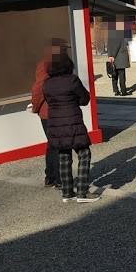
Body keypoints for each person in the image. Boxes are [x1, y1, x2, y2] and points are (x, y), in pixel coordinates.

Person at [42, 52, 101, 203]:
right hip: (73, 122)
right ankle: (82, 192)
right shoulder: (72, 80)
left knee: (64, 156)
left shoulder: (47, 84)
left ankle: (67, 192)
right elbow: (84, 99)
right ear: (68, 65)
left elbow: (48, 101)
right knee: (84, 154)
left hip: (55, 125)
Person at [30, 38, 69, 188]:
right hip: (51, 110)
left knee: (53, 144)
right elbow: (39, 88)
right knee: (58, 144)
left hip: (52, 110)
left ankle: (51, 177)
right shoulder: (47, 64)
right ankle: (58, 178)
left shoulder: (55, 62)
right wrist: (36, 106)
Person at [105, 19, 131, 96]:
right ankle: (123, 91)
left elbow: (109, 46)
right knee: (121, 75)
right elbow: (116, 46)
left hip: (114, 58)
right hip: (119, 58)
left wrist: (110, 55)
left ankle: (116, 91)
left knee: (114, 75)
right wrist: (112, 55)